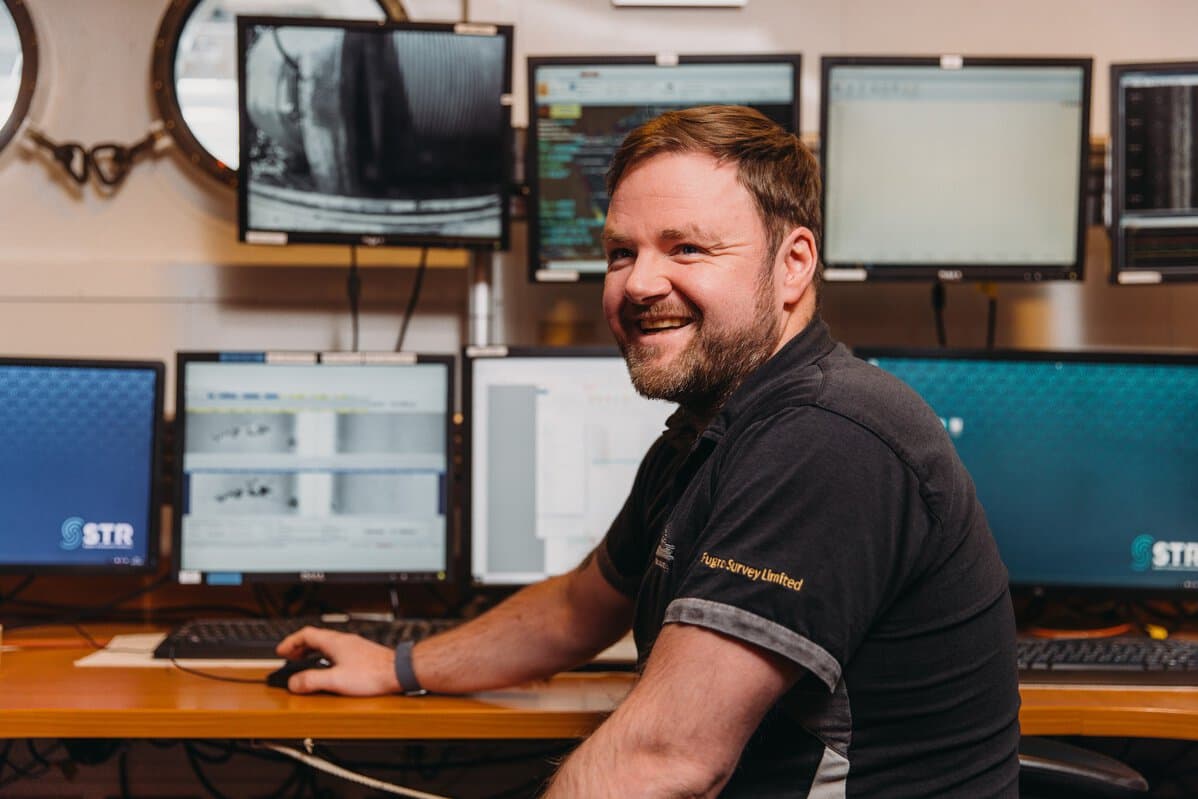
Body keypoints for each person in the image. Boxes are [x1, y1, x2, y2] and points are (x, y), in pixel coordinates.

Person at [278, 105, 1021, 797]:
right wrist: (398, 664)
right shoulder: (709, 432)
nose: (638, 283)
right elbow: (576, 608)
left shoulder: (828, 437)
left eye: (687, 248)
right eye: (619, 253)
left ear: (794, 264)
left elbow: (668, 754)